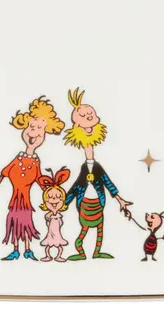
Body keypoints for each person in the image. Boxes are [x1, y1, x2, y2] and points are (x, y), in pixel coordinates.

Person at [0, 96, 65, 261]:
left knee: (26, 224)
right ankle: (16, 250)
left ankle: (27, 250)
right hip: (15, 200)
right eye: (32, 127)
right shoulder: (17, 159)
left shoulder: (35, 161)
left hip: (25, 201)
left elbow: (40, 180)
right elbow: (3, 175)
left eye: (40, 129)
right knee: (14, 224)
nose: (34, 133)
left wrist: (52, 193)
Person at [62, 87, 133, 260]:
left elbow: (108, 183)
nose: (89, 119)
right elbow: (76, 186)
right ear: (78, 126)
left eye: (91, 115)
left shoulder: (98, 167)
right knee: (84, 230)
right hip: (85, 205)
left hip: (98, 205)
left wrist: (120, 200)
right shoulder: (84, 168)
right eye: (85, 117)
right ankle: (80, 250)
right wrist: (64, 203)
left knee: (100, 230)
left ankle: (96, 252)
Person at [37, 167, 71, 262]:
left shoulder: (59, 215)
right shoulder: (49, 215)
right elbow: (49, 223)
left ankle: (58, 256)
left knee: (59, 246)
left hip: (57, 234)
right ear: (45, 201)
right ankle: (48, 256)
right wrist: (49, 217)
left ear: (62, 200)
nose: (54, 200)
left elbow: (60, 223)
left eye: (58, 197)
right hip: (50, 234)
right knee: (48, 246)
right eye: (50, 198)